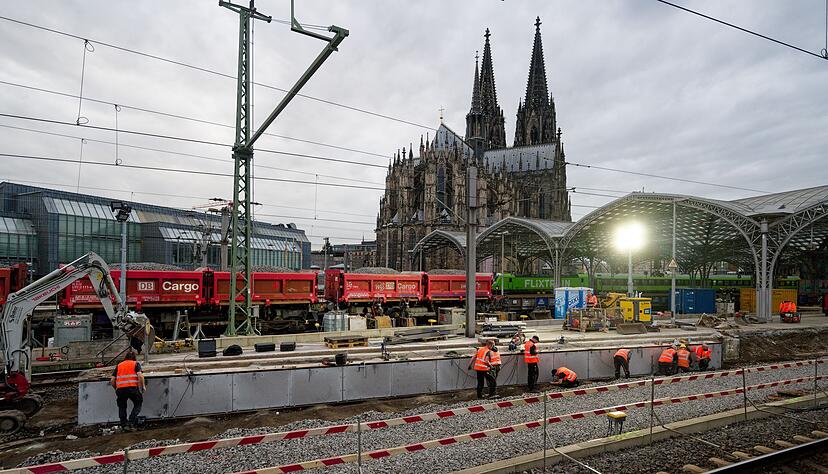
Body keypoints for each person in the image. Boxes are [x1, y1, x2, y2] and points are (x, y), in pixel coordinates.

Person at [110, 352, 145, 431]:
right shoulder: (135, 364)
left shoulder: (119, 365)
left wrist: (116, 388)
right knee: (138, 403)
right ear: (134, 357)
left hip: (121, 389)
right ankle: (131, 422)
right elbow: (140, 376)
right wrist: (143, 386)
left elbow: (112, 380)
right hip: (132, 388)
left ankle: (124, 425)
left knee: (122, 406)